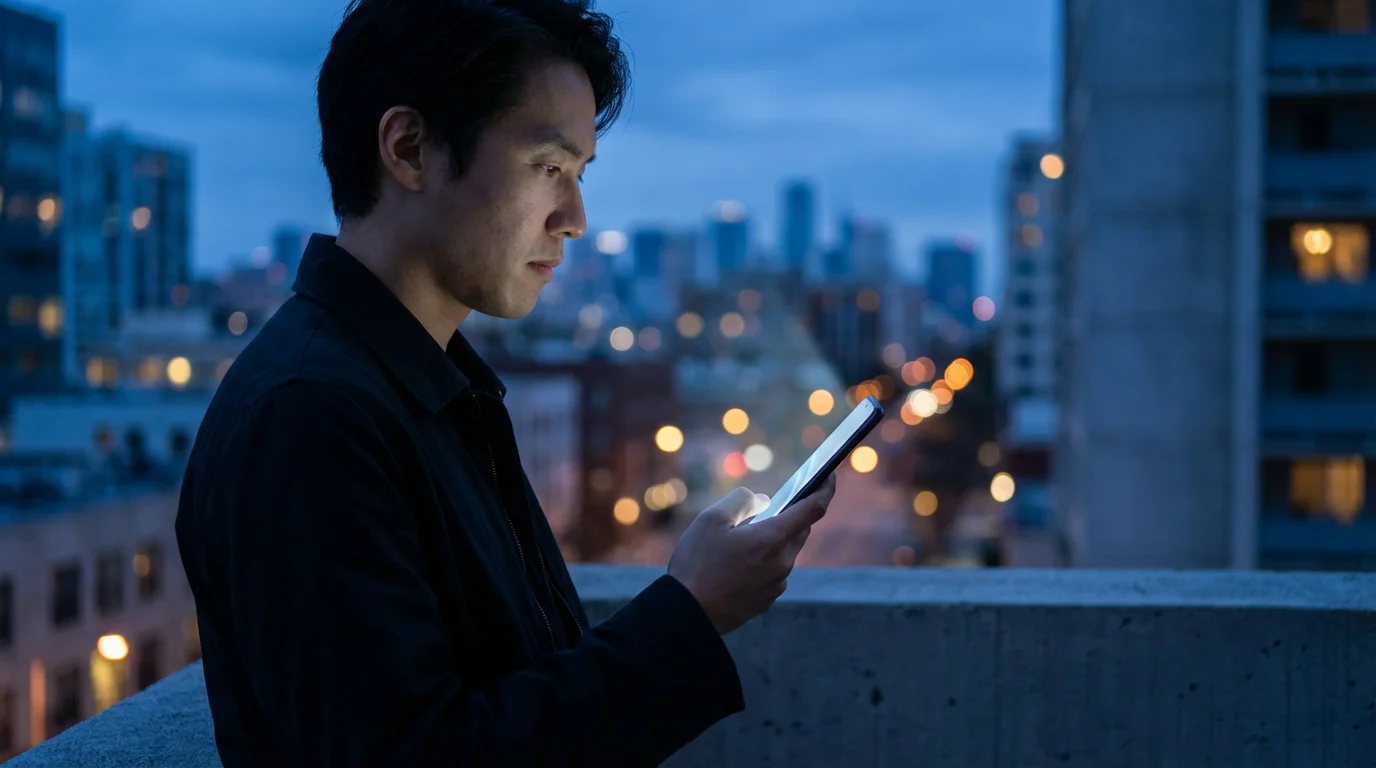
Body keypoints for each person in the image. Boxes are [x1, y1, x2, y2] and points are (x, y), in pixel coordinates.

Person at [174, 1, 837, 765]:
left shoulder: (428, 388)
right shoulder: (309, 417)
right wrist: (687, 614)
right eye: (548, 168)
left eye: (580, 174)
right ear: (410, 148)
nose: (576, 217)